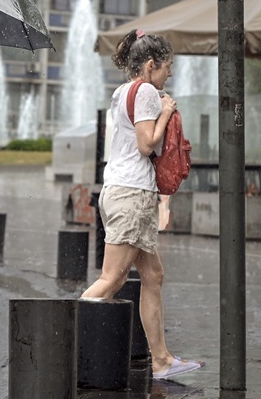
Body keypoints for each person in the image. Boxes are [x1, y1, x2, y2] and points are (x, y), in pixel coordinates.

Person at [81, 29, 203, 381]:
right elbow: (146, 145)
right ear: (150, 65)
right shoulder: (148, 91)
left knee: (153, 275)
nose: (170, 74)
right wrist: (166, 111)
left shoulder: (123, 91)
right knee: (112, 279)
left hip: (123, 190)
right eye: (167, 67)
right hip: (131, 194)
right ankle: (66, 335)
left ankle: (162, 360)